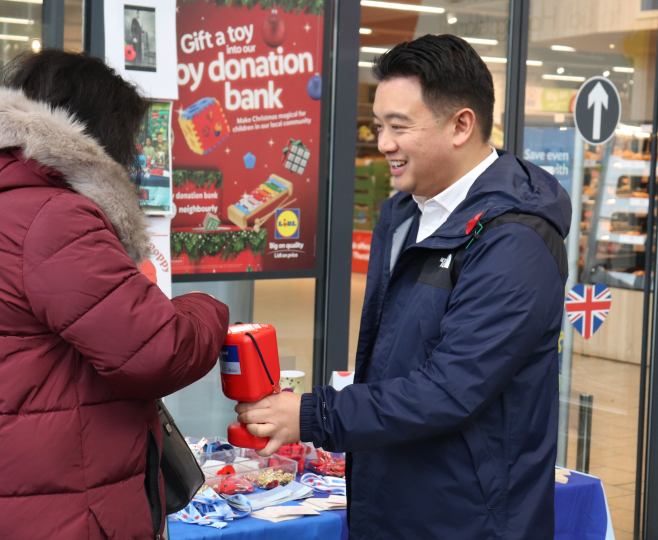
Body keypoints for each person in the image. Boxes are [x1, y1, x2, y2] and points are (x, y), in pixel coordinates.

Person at [236, 34, 569, 539]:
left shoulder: (515, 240)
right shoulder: (401, 214)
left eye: (399, 127)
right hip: (389, 500)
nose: (383, 144)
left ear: (461, 124)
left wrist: (312, 414)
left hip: (470, 520)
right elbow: (390, 359)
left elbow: (450, 390)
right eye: (378, 127)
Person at [0, 49, 229, 540]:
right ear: (98, 134)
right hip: (47, 512)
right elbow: (156, 348)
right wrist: (207, 308)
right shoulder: (53, 217)